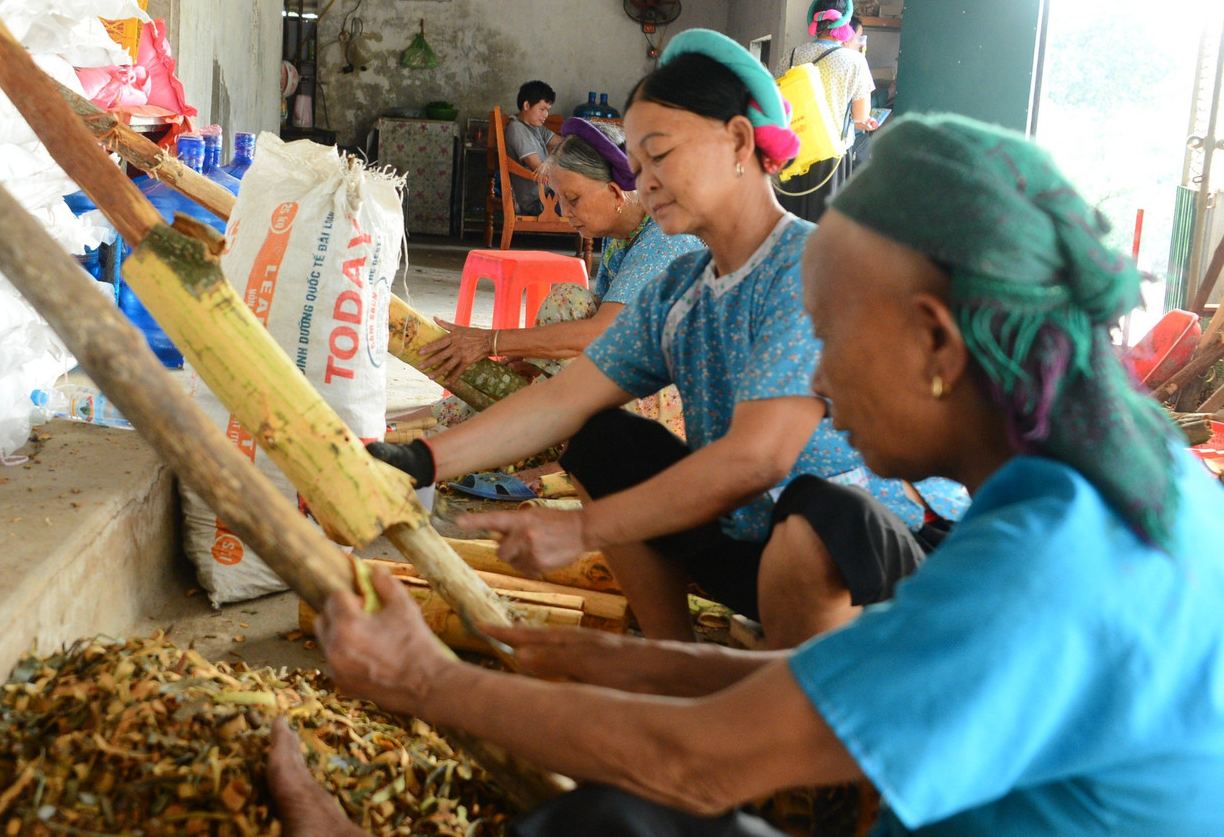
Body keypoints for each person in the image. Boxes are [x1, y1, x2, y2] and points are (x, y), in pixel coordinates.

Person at [272, 112, 1224, 837]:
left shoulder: (1046, 568)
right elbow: (855, 673)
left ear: (935, 341)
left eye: (834, 338)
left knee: (634, 810)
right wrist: (634, 662)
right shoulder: (1130, 478)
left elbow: (694, 765)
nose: (816, 375)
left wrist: (424, 680)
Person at [371, 29, 965, 648]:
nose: (644, 180)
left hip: (880, 551)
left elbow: (757, 459)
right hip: (756, 538)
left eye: (661, 156)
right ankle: (669, 654)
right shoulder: (681, 287)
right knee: (604, 443)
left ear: (738, 141)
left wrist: (579, 530)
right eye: (638, 163)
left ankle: (798, 695)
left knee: (815, 513)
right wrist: (418, 460)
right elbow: (563, 400)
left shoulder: (810, 267)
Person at [419, 118, 704, 434]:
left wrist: (492, 341)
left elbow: (603, 334)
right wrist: (537, 358)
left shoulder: (668, 238)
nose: (565, 212)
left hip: (681, 403)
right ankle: (449, 424)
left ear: (614, 192)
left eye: (574, 199)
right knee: (570, 300)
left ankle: (501, 439)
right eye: (560, 199)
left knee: (565, 359)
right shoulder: (623, 231)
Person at [774, 0, 878, 221]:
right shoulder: (856, 61)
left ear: (815, 21)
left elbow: (776, 100)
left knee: (788, 222)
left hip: (793, 152)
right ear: (845, 23)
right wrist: (865, 122)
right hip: (831, 157)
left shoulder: (791, 56)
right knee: (821, 227)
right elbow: (861, 115)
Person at [504, 80, 561, 215]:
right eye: (542, 109)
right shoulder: (517, 129)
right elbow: (538, 168)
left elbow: (562, 143)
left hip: (547, 194)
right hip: (537, 202)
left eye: (548, 110)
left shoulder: (535, 127)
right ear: (526, 105)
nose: (546, 115)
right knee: (585, 200)